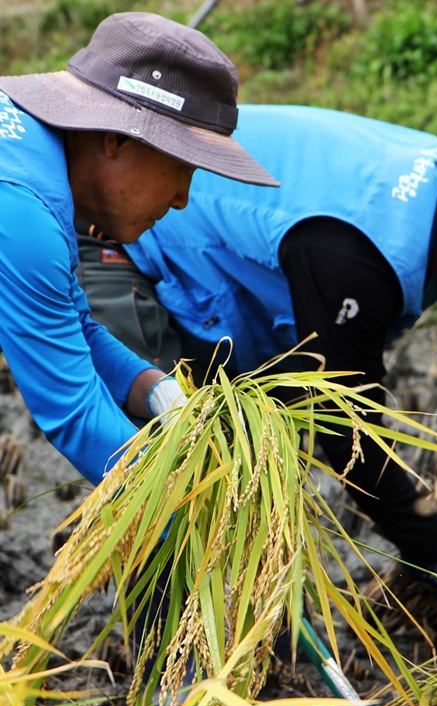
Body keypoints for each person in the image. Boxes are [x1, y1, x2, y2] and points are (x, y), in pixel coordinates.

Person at [73, 105, 437, 581]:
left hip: (243, 252)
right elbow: (349, 432)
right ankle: (179, 664)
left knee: (261, 458)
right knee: (179, 461)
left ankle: (251, 612)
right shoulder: (355, 258)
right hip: (125, 227)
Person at [0, 13, 277, 487]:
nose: (181, 199)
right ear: (119, 138)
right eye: (182, 169)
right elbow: (76, 416)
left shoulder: (31, 156)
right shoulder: (22, 209)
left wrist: (158, 391)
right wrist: (195, 513)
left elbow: (75, 327)